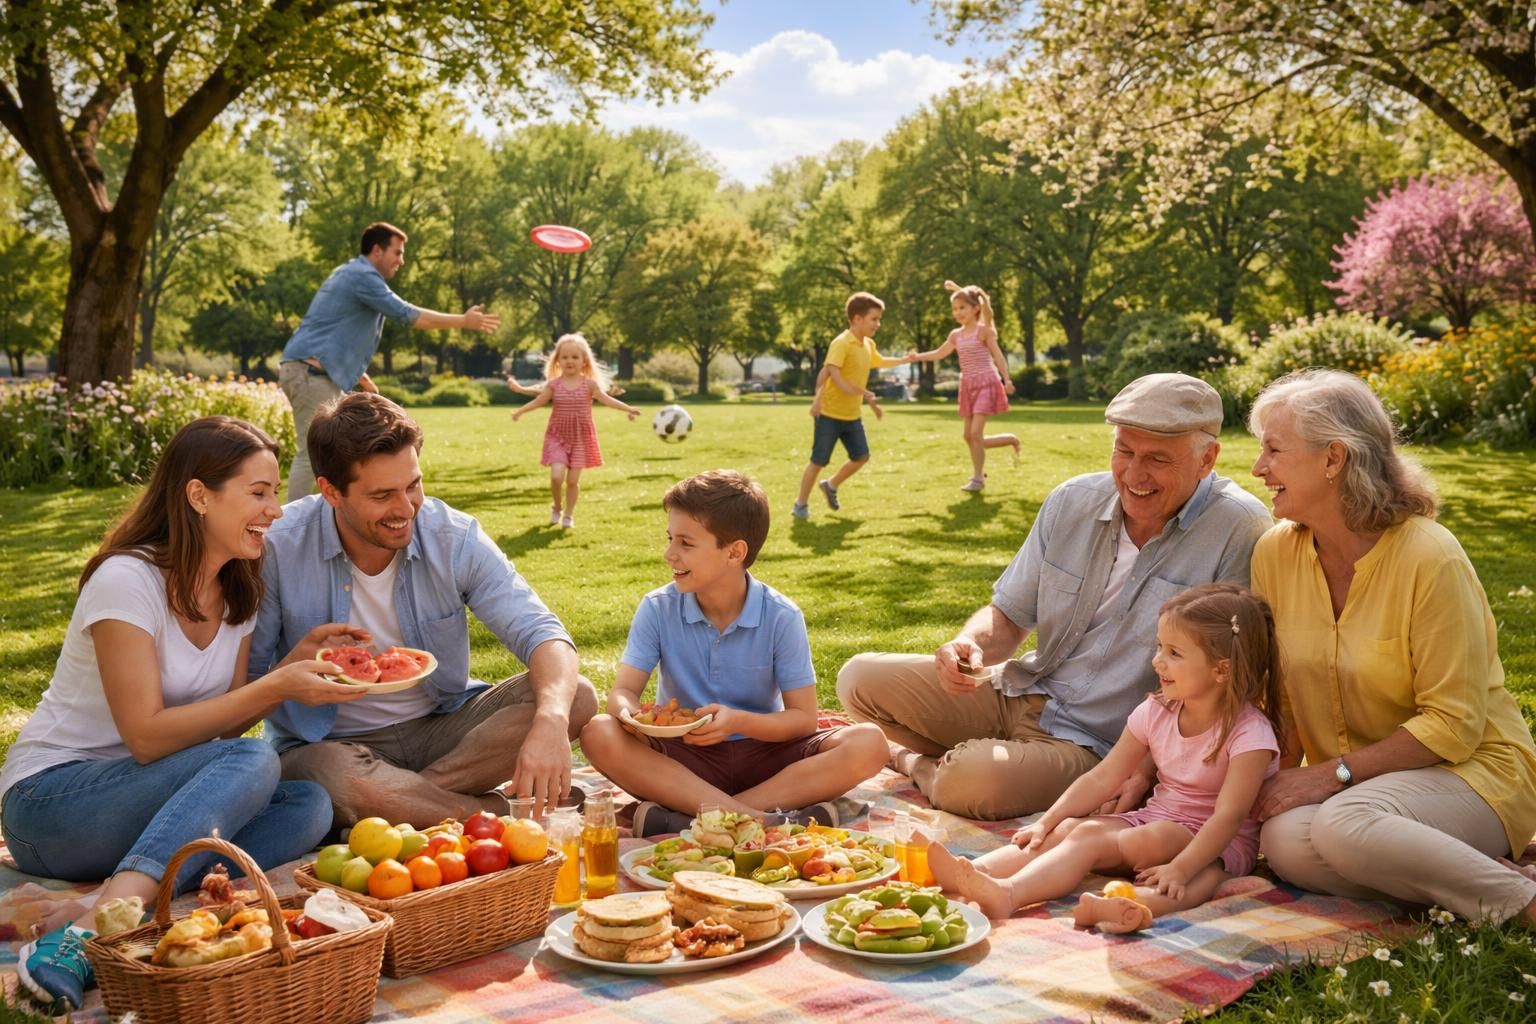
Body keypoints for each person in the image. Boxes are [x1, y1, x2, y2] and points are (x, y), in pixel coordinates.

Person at [0, 418, 349, 1009]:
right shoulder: (126, 580)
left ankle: (125, 901)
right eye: (259, 493)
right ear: (198, 495)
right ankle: (95, 930)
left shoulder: (238, 588)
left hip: (143, 810)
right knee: (256, 758)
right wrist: (274, 688)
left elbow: (225, 727)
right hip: (51, 808)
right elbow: (144, 737)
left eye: (275, 494)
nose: (277, 510)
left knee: (309, 805)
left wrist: (287, 668)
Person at [838, 373, 1272, 820]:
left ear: (1208, 459)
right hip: (1023, 690)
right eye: (1124, 451)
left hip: (1100, 744)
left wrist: (1141, 769)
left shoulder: (1239, 528)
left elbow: (1227, 679)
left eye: (1158, 459)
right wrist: (967, 647)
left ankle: (916, 763)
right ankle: (997, 763)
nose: (1135, 474)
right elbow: (1008, 615)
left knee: (971, 781)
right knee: (859, 679)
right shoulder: (1072, 500)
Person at [1248, 369, 1536, 925]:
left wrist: (1327, 775)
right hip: (1366, 793)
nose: (1260, 468)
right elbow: (1277, 696)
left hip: (1475, 773)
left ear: (1334, 459)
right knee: (1283, 841)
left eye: (1274, 450)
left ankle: (1521, 904)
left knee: (1343, 826)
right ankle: (1462, 874)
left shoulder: (1431, 558)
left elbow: (1454, 725)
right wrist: (1260, 799)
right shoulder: (1273, 555)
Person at [251, 392, 598, 829]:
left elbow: (542, 632)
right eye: (382, 495)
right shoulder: (278, 547)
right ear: (331, 491)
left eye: (413, 485)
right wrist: (291, 670)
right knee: (339, 780)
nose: (405, 509)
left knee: (574, 695)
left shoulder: (451, 535)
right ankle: (496, 815)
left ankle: (401, 804)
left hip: (444, 729)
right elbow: (244, 685)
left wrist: (549, 720)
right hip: (327, 744)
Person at [930, 584, 1281, 929]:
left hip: (1215, 842)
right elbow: (1103, 777)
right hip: (1154, 820)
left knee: (1164, 858)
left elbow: (1229, 817)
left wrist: (1181, 868)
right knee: (1069, 829)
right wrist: (1046, 821)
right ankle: (975, 873)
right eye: (1159, 647)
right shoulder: (1157, 710)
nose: (1158, 661)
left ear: (1222, 670)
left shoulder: (1249, 733)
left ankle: (1009, 895)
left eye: (1175, 653)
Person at [580, 470, 888, 836]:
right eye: (669, 539)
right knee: (599, 732)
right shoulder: (658, 607)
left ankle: (697, 817)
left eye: (685, 543)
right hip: (683, 760)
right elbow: (622, 692)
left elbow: (803, 720)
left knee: (869, 743)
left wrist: (738, 721)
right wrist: (631, 715)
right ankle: (765, 821)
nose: (669, 554)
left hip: (767, 759)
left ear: (734, 552)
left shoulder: (781, 616)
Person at [280, 222, 502, 500]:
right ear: (377, 250)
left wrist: (360, 376)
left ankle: (325, 519)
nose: (402, 260)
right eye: (397, 252)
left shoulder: (351, 273)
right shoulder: (362, 276)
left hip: (313, 371)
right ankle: (292, 531)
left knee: (331, 453)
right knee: (310, 455)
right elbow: (407, 314)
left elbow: (338, 328)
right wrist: (464, 321)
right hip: (310, 373)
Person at [791, 292, 915, 520]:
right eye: (874, 319)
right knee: (818, 461)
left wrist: (904, 359)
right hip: (829, 414)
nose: (878, 324)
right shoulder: (841, 343)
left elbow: (879, 361)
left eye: (879, 319)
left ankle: (831, 485)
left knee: (861, 456)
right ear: (857, 319)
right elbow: (833, 372)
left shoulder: (868, 344)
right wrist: (854, 389)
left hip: (852, 415)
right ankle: (800, 504)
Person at [510, 333, 640, 529]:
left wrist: (628, 409)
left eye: (574, 357)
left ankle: (569, 515)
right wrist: (519, 412)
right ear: (558, 361)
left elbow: (606, 400)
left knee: (572, 481)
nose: (569, 361)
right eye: (565, 357)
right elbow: (539, 400)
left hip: (581, 438)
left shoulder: (590, 385)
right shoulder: (554, 385)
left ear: (584, 361)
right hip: (557, 436)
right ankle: (556, 507)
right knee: (556, 475)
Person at [907, 281, 1020, 491]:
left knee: (975, 434)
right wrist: (917, 357)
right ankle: (1008, 441)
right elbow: (939, 353)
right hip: (967, 386)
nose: (958, 312)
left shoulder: (984, 331)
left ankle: (978, 478)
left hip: (987, 382)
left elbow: (998, 357)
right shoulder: (955, 335)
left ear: (975, 308)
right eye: (955, 308)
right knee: (969, 436)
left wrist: (1007, 380)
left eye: (962, 307)